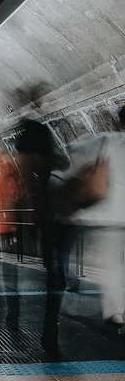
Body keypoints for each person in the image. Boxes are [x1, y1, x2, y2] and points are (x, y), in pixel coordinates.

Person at [13, 86, 70, 357]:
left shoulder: (35, 132)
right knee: (55, 274)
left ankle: (50, 329)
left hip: (52, 211)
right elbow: (30, 175)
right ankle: (50, 332)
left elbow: (27, 177)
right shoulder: (36, 132)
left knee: (55, 272)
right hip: (56, 210)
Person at [66, 105, 125, 328]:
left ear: (119, 121)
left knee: (112, 266)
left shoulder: (108, 141)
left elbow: (73, 148)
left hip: (109, 217)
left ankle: (116, 312)